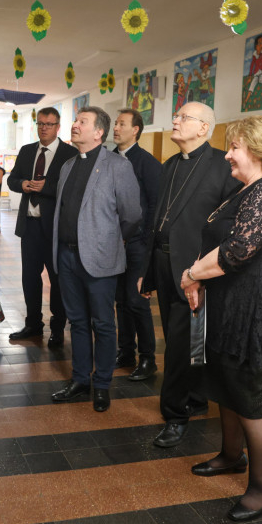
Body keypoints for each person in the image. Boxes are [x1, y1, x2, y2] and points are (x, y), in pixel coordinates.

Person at [183, 116, 262, 522]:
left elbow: (236, 250)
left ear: (258, 149)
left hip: (253, 312)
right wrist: (198, 276)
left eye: (234, 147)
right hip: (228, 306)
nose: (228, 155)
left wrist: (191, 274)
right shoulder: (247, 189)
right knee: (226, 385)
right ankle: (232, 455)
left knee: (251, 397)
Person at [139, 101, 238, 448]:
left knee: (182, 345)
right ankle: (195, 397)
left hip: (196, 269)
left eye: (184, 117)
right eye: (176, 116)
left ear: (204, 128)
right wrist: (148, 271)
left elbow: (227, 226)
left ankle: (175, 414)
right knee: (182, 338)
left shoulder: (223, 165)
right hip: (163, 263)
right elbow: (159, 220)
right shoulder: (169, 164)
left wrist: (202, 269)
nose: (175, 120)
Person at [50, 106, 141, 412]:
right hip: (66, 255)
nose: (74, 125)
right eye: (76, 121)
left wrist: (109, 240)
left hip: (100, 258)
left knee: (102, 324)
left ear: (98, 132)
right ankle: (80, 379)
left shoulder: (118, 166)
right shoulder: (68, 165)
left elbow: (132, 215)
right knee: (76, 322)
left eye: (82, 122)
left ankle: (101, 384)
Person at [7, 107, 77, 346]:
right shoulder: (27, 151)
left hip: (56, 228)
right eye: (40, 124)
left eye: (49, 124)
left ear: (58, 127)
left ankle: (57, 328)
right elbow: (12, 179)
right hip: (29, 225)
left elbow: (73, 188)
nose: (44, 128)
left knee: (57, 280)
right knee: (30, 277)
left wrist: (46, 187)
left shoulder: (70, 153)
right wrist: (23, 184)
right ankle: (33, 323)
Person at [111, 108, 161, 381]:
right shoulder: (108, 159)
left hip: (138, 244)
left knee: (136, 300)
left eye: (122, 124)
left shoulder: (147, 163)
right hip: (114, 243)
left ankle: (148, 359)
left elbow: (154, 206)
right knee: (120, 300)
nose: (116, 128)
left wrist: (145, 241)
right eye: (115, 123)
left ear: (136, 130)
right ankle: (126, 351)